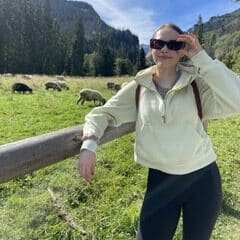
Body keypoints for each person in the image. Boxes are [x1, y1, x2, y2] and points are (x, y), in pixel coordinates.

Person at [77, 23, 240, 240]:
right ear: (151, 48)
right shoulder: (138, 86)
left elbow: (237, 99)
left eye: (173, 44)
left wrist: (200, 57)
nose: (165, 49)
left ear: (183, 50)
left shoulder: (197, 84)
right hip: (160, 183)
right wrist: (89, 144)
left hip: (202, 180)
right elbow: (101, 113)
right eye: (158, 43)